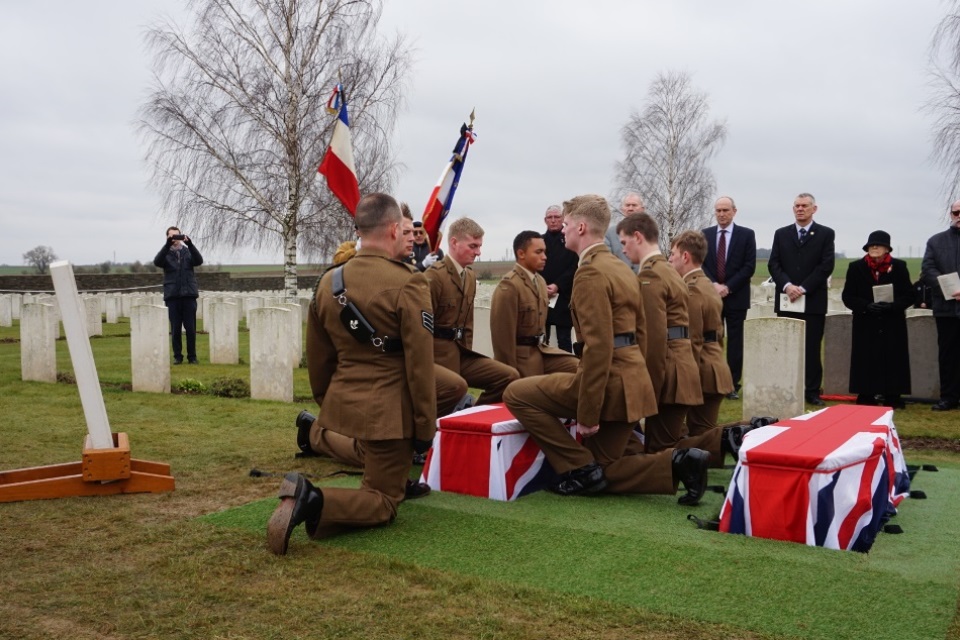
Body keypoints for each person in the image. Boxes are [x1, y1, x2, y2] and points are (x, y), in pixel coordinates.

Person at [503, 194, 710, 505]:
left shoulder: (589, 272)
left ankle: (576, 466)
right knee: (607, 469)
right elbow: (641, 332)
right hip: (630, 380)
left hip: (608, 382)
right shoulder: (621, 267)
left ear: (582, 227)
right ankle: (678, 462)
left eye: (568, 224)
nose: (564, 231)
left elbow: (598, 347)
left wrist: (587, 412)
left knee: (516, 394)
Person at [267, 193, 437, 556]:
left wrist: (327, 399)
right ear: (394, 229)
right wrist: (425, 427)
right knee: (384, 499)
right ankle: (311, 500)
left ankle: (313, 434)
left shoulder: (329, 282)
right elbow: (421, 365)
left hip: (345, 402)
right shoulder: (410, 282)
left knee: (371, 452)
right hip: (391, 410)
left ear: (359, 229)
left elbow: (318, 355)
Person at [617, 212, 702, 453]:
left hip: (668, 372)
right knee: (670, 443)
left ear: (638, 237)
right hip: (680, 367)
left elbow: (653, 337)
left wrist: (648, 389)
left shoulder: (650, 274)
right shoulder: (668, 270)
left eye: (624, 242)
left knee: (659, 450)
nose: (623, 250)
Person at [667, 231, 746, 468]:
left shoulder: (691, 290)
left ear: (686, 256)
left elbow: (692, 340)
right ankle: (749, 431)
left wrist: (682, 379)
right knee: (704, 431)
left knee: (701, 437)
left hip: (702, 368)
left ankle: (751, 431)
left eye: (672, 254)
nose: (669, 259)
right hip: (714, 365)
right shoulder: (707, 285)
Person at [424, 217, 519, 404]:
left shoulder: (469, 276)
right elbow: (421, 327)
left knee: (508, 376)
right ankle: (439, 426)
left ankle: (470, 415)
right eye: (473, 246)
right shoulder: (434, 277)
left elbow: (467, 324)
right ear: (454, 242)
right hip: (436, 357)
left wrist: (466, 354)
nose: (478, 252)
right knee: (455, 388)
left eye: (479, 246)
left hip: (461, 354)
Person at [767, 193, 836, 406]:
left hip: (812, 300)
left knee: (812, 348)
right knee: (787, 346)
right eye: (796, 206)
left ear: (814, 209)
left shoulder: (825, 234)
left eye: (804, 206)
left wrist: (803, 288)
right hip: (787, 299)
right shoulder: (781, 234)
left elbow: (826, 266)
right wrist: (788, 286)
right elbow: (774, 264)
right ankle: (787, 386)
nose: (800, 209)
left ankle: (812, 391)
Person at [490, 231, 579, 377]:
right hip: (521, 357)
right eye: (538, 252)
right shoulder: (510, 286)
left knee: (578, 367)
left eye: (545, 252)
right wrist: (508, 373)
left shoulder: (539, 281)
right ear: (521, 254)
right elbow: (502, 337)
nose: (544, 257)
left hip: (540, 349)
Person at [841, 230, 913, 409]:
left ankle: (893, 396)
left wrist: (892, 306)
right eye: (871, 245)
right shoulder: (856, 267)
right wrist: (866, 306)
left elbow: (909, 295)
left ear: (887, 249)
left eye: (878, 245)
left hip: (892, 321)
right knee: (866, 358)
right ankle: (866, 395)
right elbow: (848, 296)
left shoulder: (899, 267)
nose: (874, 247)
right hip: (866, 321)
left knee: (894, 358)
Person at [701, 196, 756, 399]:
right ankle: (711, 380)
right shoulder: (705, 235)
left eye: (725, 210)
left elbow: (749, 266)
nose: (722, 214)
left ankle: (731, 384)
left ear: (734, 211)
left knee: (735, 343)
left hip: (736, 296)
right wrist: (714, 285)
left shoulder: (746, 235)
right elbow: (702, 264)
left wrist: (728, 287)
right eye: (718, 211)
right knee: (712, 339)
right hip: (712, 296)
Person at [921, 201, 960, 411]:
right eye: (956, 212)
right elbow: (928, 269)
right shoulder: (936, 241)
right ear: (951, 214)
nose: (959, 215)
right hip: (946, 308)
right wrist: (948, 288)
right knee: (948, 356)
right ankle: (949, 397)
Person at [153, 226, 203, 365]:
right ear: (168, 237)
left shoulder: (188, 252)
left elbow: (199, 261)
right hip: (173, 296)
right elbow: (157, 262)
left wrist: (190, 244)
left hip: (189, 295)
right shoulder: (166, 254)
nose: (175, 239)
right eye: (172, 236)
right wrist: (166, 245)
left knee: (191, 328)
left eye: (177, 235)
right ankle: (177, 356)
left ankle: (192, 357)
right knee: (175, 329)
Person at [541, 204, 578, 352]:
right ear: (545, 220)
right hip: (543, 295)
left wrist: (558, 285)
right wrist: (542, 286)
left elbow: (574, 267)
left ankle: (567, 371)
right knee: (542, 338)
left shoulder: (570, 240)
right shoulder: (539, 241)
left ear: (562, 219)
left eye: (557, 217)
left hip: (564, 296)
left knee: (564, 339)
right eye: (550, 217)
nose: (553, 220)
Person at [604, 192, 644, 270]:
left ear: (642, 209)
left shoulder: (650, 232)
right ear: (622, 209)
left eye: (634, 205)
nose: (630, 208)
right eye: (627, 205)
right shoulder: (610, 233)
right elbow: (606, 260)